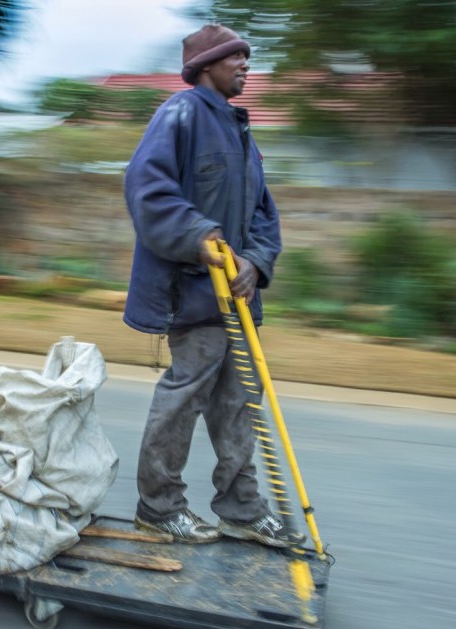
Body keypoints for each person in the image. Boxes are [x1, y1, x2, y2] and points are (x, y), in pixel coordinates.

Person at [122, 24, 300, 548]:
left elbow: (265, 213)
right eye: (237, 58)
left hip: (239, 299)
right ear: (206, 67)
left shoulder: (242, 132)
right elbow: (147, 189)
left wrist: (256, 261)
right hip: (193, 293)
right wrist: (201, 235)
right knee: (185, 399)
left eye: (248, 57)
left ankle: (241, 509)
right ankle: (159, 507)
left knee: (241, 401)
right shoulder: (179, 116)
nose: (247, 65)